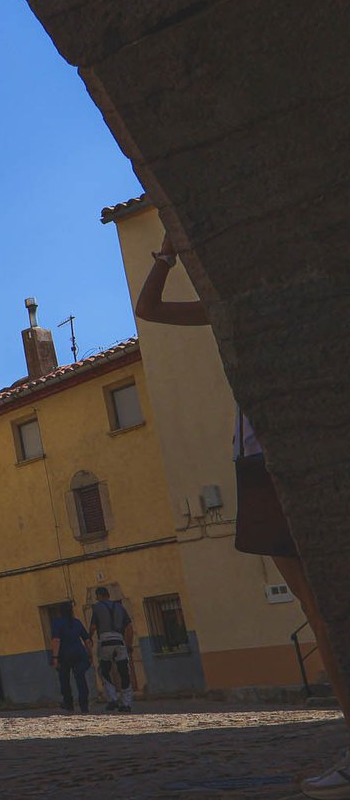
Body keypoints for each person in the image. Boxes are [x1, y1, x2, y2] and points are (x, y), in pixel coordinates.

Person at [138, 233, 350, 796]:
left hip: (294, 452)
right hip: (254, 462)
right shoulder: (228, 303)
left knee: (329, 606)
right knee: (318, 609)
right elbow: (149, 309)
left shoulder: (305, 294)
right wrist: (167, 253)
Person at [88, 586, 135, 712]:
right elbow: (129, 628)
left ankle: (112, 698)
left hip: (105, 641)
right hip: (119, 640)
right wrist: (129, 645)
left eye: (97, 596)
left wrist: (89, 638)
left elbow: (93, 627)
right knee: (124, 671)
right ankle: (126, 702)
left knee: (104, 670)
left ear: (99, 595)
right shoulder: (120, 607)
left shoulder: (97, 607)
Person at [49, 602, 93, 714]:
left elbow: (56, 640)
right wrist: (89, 654)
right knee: (81, 679)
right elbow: (87, 640)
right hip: (79, 653)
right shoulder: (77, 622)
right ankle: (84, 705)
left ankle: (68, 703)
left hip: (64, 655)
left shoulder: (57, 623)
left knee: (64, 679)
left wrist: (55, 657)